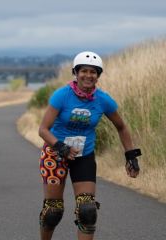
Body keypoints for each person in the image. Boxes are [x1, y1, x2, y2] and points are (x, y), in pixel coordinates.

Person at [38, 51, 141, 240]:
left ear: (98, 76)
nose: (88, 75)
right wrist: (61, 147)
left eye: (93, 72)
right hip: (55, 155)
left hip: (83, 156)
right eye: (84, 71)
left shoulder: (103, 100)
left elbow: (122, 127)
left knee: (87, 210)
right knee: (53, 211)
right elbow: (43, 129)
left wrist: (130, 156)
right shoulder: (62, 96)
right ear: (76, 73)